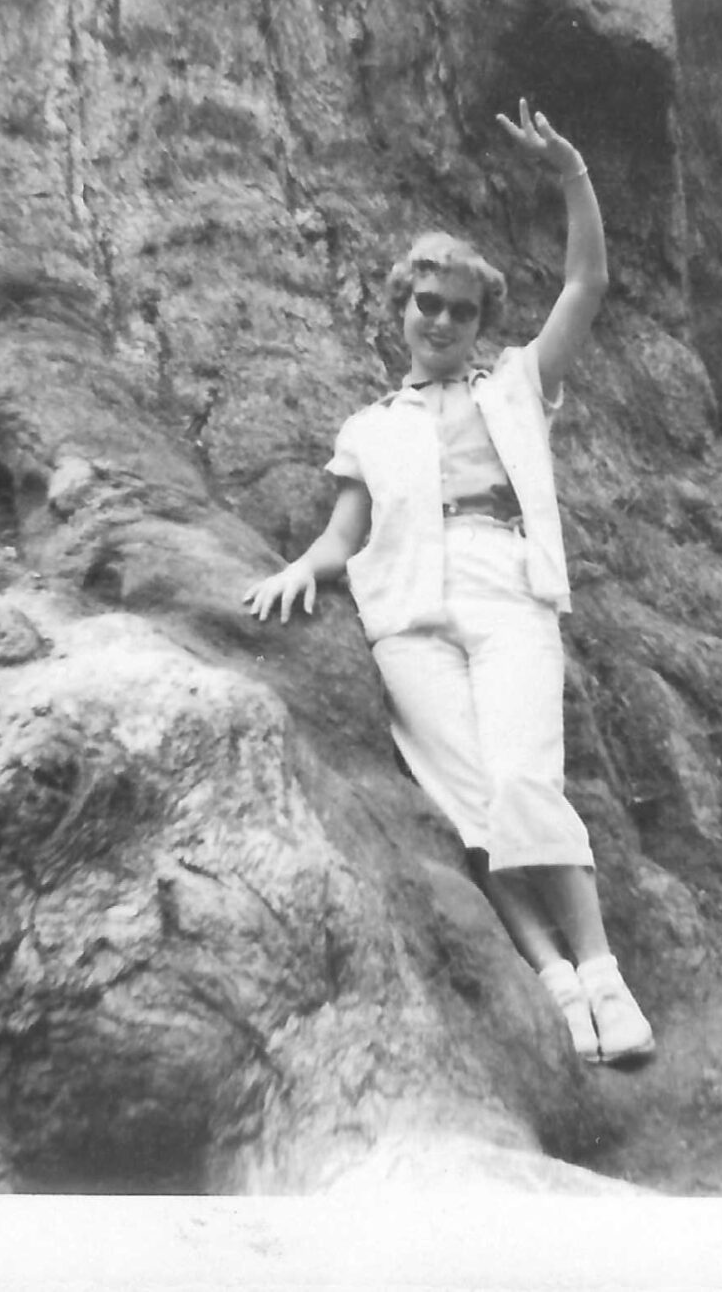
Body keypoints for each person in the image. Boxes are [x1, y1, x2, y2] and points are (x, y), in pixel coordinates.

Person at [243, 98, 654, 1067]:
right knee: (467, 803)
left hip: (504, 578)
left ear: (478, 326)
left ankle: (605, 976)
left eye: (458, 311)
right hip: (408, 609)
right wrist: (302, 565)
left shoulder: (514, 385)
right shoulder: (370, 425)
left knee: (523, 778)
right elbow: (348, 531)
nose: (438, 321)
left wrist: (572, 174)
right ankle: (554, 979)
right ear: (400, 308)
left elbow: (587, 282)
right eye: (424, 303)